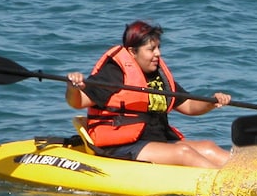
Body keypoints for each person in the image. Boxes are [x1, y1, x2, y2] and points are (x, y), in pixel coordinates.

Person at [65, 20, 232, 169]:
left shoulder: (158, 75)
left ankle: (250, 175)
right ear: (132, 52)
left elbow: (188, 105)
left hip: (156, 141)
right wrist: (73, 87)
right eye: (151, 49)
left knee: (209, 148)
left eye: (158, 48)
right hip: (122, 146)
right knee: (183, 152)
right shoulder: (114, 73)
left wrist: (211, 102)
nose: (158, 54)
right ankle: (228, 186)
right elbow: (78, 102)